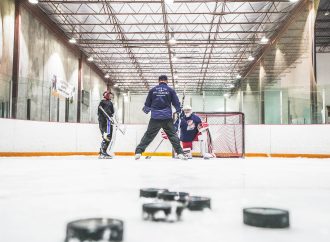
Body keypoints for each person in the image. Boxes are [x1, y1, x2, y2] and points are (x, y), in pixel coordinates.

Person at [135, 75, 186, 160]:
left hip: (155, 117)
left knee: (148, 135)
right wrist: (179, 110)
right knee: (173, 135)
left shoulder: (152, 90)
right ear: (167, 81)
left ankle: (138, 152)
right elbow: (176, 103)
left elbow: (147, 104)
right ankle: (180, 153)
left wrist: (146, 109)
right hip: (167, 117)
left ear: (159, 81)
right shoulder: (170, 90)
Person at [97, 90, 115, 159]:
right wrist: (109, 118)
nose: (111, 96)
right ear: (106, 95)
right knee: (107, 136)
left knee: (106, 137)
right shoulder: (105, 102)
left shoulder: (105, 102)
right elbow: (107, 113)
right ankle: (103, 152)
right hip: (106, 123)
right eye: (110, 95)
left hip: (105, 122)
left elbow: (111, 113)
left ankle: (103, 152)